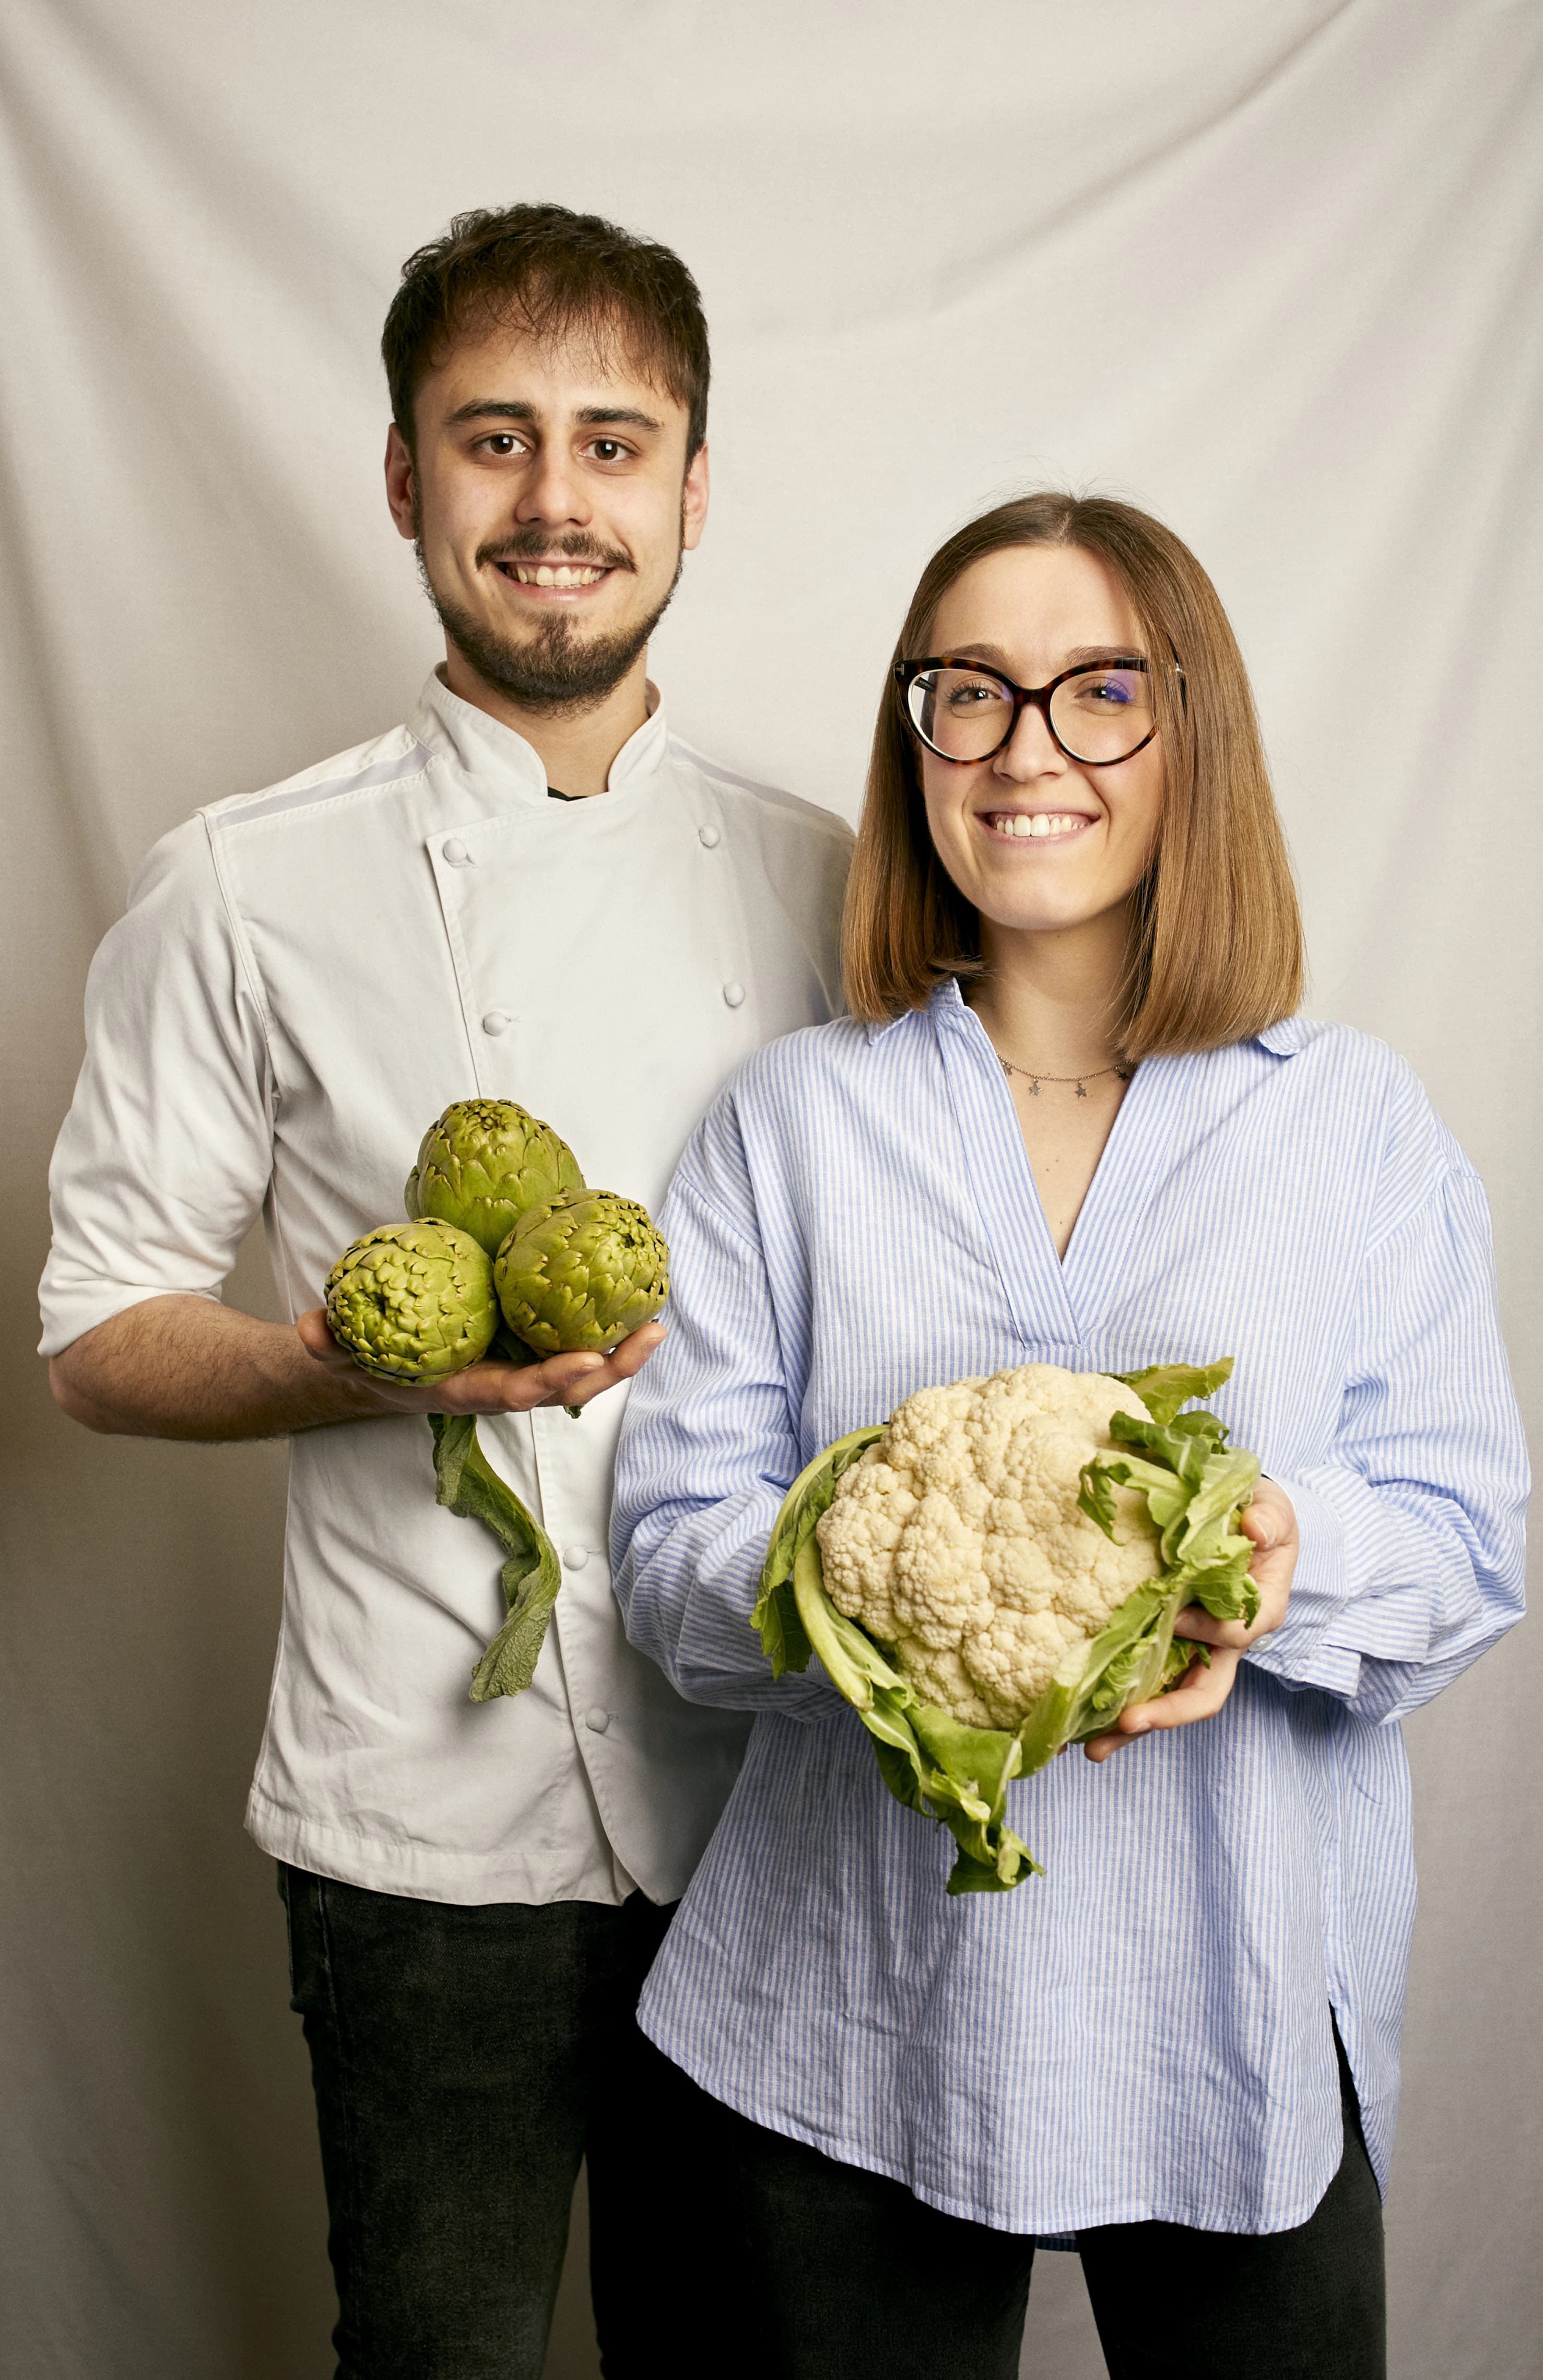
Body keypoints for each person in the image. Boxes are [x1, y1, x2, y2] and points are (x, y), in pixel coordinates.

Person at [39, 203, 851, 2379]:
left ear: (694, 489)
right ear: (405, 479)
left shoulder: (833, 881)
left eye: (613, 442)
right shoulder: (242, 885)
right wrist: (346, 1365)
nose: (554, 499)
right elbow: (99, 1337)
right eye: (496, 439)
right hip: (420, 1823)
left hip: (775, 1807)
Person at [610, 491, 1528, 2379]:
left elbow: (1465, 1545)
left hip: (1237, 2006)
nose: (1027, 750)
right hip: (845, 2009)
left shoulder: (1353, 1126)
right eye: (971, 692)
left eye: (1100, 691)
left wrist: (1282, 1558)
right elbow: (670, 1560)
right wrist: (859, 1580)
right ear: (917, 743)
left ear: (1195, 735)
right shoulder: (794, 1124)